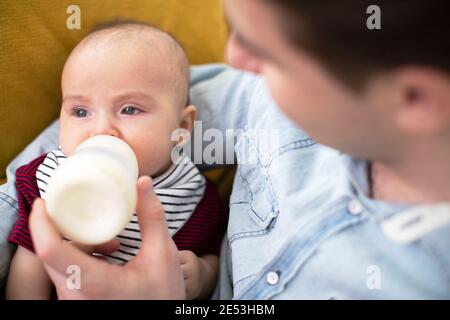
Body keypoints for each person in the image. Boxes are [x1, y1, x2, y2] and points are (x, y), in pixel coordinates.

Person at [1, 0, 450, 299]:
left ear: (414, 98)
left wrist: (195, 284)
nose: (232, 58)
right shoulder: (256, 104)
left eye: (270, 55)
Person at [4, 21, 224, 300]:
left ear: (181, 127)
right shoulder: (47, 181)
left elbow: (219, 255)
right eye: (81, 112)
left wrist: (203, 273)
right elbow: (30, 262)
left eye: (129, 109)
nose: (100, 130)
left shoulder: (195, 197)